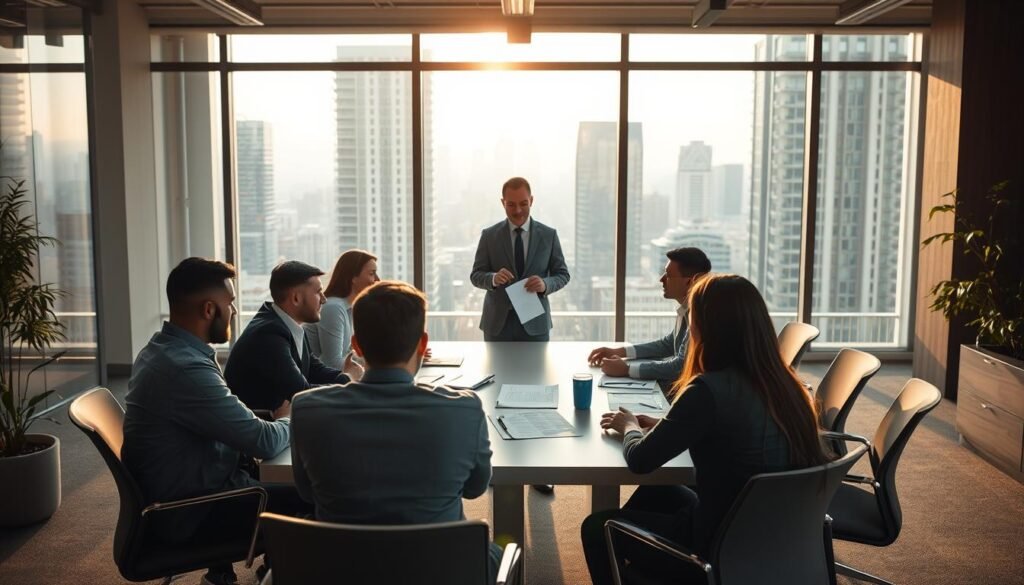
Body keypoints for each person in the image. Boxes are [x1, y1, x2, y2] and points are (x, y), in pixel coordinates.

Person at [581, 274, 830, 585]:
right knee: (656, 491)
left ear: (709, 329)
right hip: (775, 536)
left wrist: (629, 426)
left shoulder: (706, 390)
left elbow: (641, 460)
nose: (690, 329)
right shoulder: (788, 385)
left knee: (596, 527)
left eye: (694, 320)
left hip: (717, 544)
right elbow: (736, 427)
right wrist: (668, 426)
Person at [290, 281, 501, 581]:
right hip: (439, 569)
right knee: (495, 554)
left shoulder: (307, 409)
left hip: (341, 570)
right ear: (423, 344)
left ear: (357, 345)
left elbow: (306, 491)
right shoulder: (464, 409)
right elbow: (476, 488)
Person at [122, 257, 310, 585]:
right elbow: (262, 442)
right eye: (231, 304)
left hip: (186, 493)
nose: (234, 312)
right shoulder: (184, 369)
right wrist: (290, 417)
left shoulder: (163, 351)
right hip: (195, 512)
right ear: (209, 309)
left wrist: (270, 422)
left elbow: (223, 423)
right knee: (314, 497)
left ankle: (256, 567)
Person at [225, 260, 358, 411]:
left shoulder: (287, 324)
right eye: (318, 292)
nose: (324, 299)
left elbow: (314, 369)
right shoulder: (269, 334)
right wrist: (348, 379)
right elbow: (301, 392)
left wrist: (349, 377)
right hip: (259, 428)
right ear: (296, 298)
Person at [588, 247, 711, 390]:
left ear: (690, 282)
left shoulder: (700, 316)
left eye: (668, 275)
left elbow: (680, 366)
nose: (661, 279)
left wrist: (627, 369)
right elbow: (669, 344)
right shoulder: (686, 309)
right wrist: (619, 352)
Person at [470, 176, 570, 342]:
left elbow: (563, 274)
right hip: (497, 325)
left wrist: (545, 285)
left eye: (523, 204)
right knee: (496, 369)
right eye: (511, 204)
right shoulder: (489, 236)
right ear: (503, 203)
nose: (517, 210)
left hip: (535, 323)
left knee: (536, 369)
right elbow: (476, 275)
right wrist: (493, 278)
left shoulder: (548, 235)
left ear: (531, 201)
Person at [303, 249, 379, 369]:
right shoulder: (333, 308)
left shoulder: (349, 308)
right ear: (353, 277)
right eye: (371, 273)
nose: (377, 280)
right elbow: (331, 364)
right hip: (319, 383)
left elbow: (348, 355)